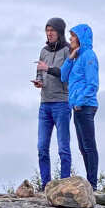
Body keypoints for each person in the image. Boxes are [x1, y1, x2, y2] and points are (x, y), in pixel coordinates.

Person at [34, 17, 72, 187]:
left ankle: (63, 185)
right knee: (42, 147)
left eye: (52, 30)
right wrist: (39, 81)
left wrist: (47, 69)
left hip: (62, 104)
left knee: (63, 148)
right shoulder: (43, 51)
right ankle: (46, 186)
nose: (49, 33)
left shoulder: (68, 50)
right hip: (45, 104)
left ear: (60, 32)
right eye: (47, 30)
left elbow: (65, 74)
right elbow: (40, 73)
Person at [64, 23, 100, 189]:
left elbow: (93, 84)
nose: (70, 38)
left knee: (89, 145)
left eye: (73, 35)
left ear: (80, 38)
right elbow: (64, 76)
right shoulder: (78, 57)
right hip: (77, 107)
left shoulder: (89, 56)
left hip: (85, 107)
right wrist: (70, 58)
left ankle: (92, 184)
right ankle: (90, 183)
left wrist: (79, 102)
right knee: (82, 146)